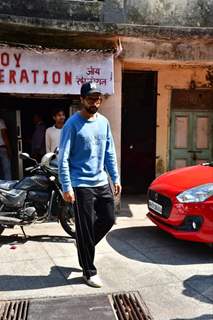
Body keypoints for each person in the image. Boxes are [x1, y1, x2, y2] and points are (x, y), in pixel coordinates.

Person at [58, 82, 122, 288]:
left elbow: (109, 152)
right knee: (84, 227)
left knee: (108, 219)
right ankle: (89, 270)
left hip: (101, 180)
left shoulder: (103, 122)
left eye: (98, 98)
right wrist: (66, 186)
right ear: (82, 100)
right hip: (80, 183)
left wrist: (116, 177)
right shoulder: (72, 124)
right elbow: (63, 158)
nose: (95, 102)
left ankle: (84, 245)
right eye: (91, 98)